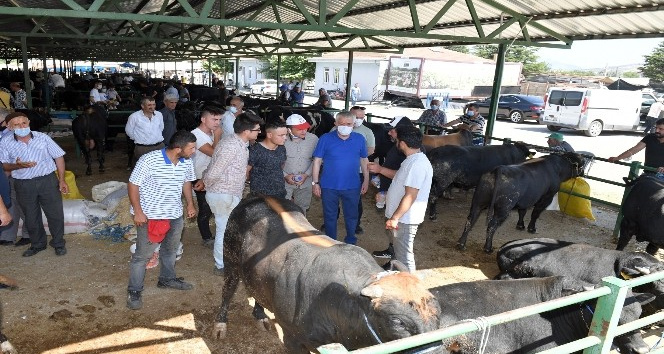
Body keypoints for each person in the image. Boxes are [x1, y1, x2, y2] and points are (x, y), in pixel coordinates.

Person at [126, 130, 198, 310]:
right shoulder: (149, 160)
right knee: (142, 255)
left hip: (174, 214)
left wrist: (189, 204)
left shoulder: (185, 161)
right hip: (151, 216)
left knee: (170, 250)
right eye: (191, 148)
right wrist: (138, 212)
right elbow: (133, 184)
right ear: (178, 148)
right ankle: (134, 290)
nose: (194, 151)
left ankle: (166, 279)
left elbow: (186, 182)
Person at [197, 112, 263, 276]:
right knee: (223, 230)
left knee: (226, 228)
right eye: (257, 130)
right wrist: (208, 184)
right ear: (246, 131)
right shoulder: (232, 146)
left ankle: (225, 261)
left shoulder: (238, 143)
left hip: (228, 192)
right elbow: (215, 169)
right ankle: (220, 265)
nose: (258, 133)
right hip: (223, 193)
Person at [0, 112, 68, 257]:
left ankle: (58, 243)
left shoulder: (42, 138)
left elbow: (59, 157)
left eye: (24, 123)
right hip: (23, 184)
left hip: (47, 181)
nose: (21, 127)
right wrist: (18, 166)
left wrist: (61, 180)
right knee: (30, 216)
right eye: (17, 124)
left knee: (55, 213)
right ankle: (38, 244)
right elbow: (4, 166)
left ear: (29, 122)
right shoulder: (5, 142)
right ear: (9, 127)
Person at [312, 111, 369, 245]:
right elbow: (317, 161)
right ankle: (331, 241)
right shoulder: (325, 138)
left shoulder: (360, 139)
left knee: (352, 214)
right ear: (335, 123)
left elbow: (364, 160)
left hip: (352, 185)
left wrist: (366, 179)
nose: (345, 126)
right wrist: (315, 182)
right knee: (330, 215)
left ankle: (351, 239)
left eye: (348, 124)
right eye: (341, 123)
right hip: (328, 185)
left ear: (353, 124)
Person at [384, 125, 433, 272]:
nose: (396, 143)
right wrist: (380, 170)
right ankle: (399, 279)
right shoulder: (412, 159)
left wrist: (395, 218)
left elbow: (411, 195)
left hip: (405, 219)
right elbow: (400, 177)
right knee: (400, 253)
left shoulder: (417, 165)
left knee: (404, 256)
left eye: (397, 140)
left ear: (403, 143)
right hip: (402, 217)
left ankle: (410, 289)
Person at [368, 116, 414, 259]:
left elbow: (404, 177)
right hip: (392, 193)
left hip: (401, 196)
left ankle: (396, 259)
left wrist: (381, 171)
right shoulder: (397, 146)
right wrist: (382, 185)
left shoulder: (409, 152)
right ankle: (391, 250)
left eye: (392, 130)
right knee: (392, 228)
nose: (389, 133)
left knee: (398, 228)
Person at [328, 106, 375, 234]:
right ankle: (331, 221)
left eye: (361, 117)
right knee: (333, 198)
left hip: (357, 171)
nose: (359, 119)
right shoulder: (335, 129)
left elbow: (371, 149)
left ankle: (355, 224)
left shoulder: (367, 132)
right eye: (356, 116)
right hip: (336, 171)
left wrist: (355, 155)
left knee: (355, 200)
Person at [190, 106, 223, 248]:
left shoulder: (210, 133)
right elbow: (214, 154)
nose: (217, 123)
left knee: (212, 205)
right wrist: (217, 136)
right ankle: (206, 237)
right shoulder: (196, 135)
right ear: (203, 119)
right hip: (199, 176)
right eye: (214, 119)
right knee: (205, 208)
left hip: (211, 175)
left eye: (220, 120)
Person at [0, 111, 30, 247]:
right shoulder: (4, 136)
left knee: (25, 206)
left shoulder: (19, 136)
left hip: (20, 176)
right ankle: (7, 236)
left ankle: (28, 234)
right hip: (7, 176)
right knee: (10, 204)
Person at [283, 114, 318, 215]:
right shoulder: (281, 139)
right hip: (284, 182)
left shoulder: (314, 139)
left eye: (305, 128)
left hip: (306, 181)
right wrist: (285, 176)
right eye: (299, 129)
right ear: (289, 129)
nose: (304, 131)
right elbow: (274, 161)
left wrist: (306, 174)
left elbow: (317, 160)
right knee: (283, 207)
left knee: (302, 207)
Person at [247, 121, 288, 197]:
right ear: (269, 135)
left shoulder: (282, 148)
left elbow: (281, 166)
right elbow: (246, 170)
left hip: (280, 191)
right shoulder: (256, 150)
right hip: (260, 195)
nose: (285, 138)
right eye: (281, 135)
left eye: (286, 134)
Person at [125, 97, 165, 165]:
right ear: (142, 106)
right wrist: (140, 139)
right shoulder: (134, 117)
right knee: (142, 170)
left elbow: (161, 128)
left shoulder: (159, 115)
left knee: (159, 169)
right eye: (149, 105)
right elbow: (129, 131)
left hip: (159, 147)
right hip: (143, 149)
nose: (152, 107)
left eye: (154, 104)